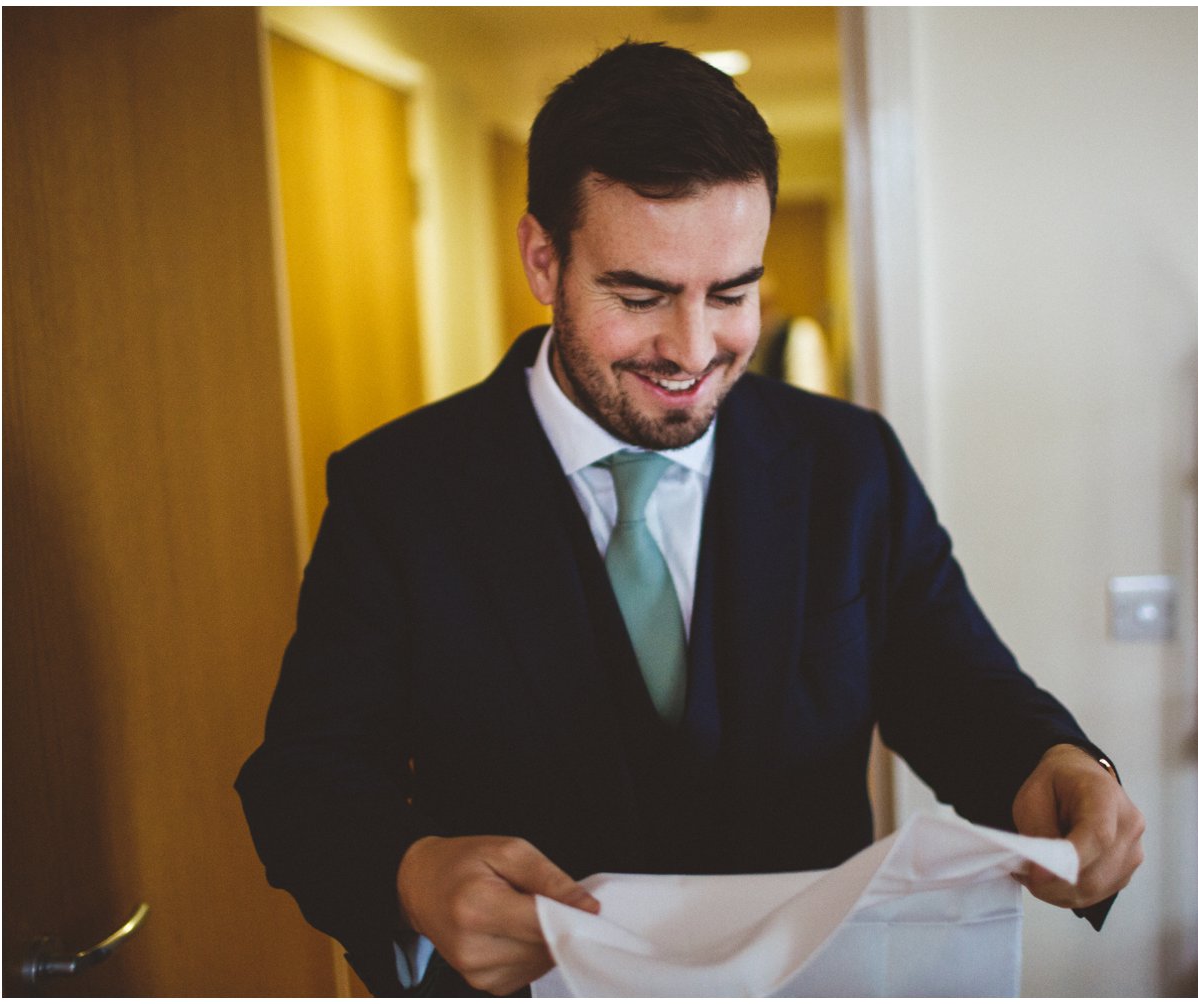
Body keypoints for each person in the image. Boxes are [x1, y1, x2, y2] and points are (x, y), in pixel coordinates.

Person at [237, 41, 1143, 997]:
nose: (694, 348)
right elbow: (306, 776)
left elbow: (958, 686)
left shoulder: (849, 462)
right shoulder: (399, 490)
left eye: (734, 292)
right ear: (544, 258)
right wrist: (407, 874)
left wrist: (1055, 761)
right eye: (641, 296)